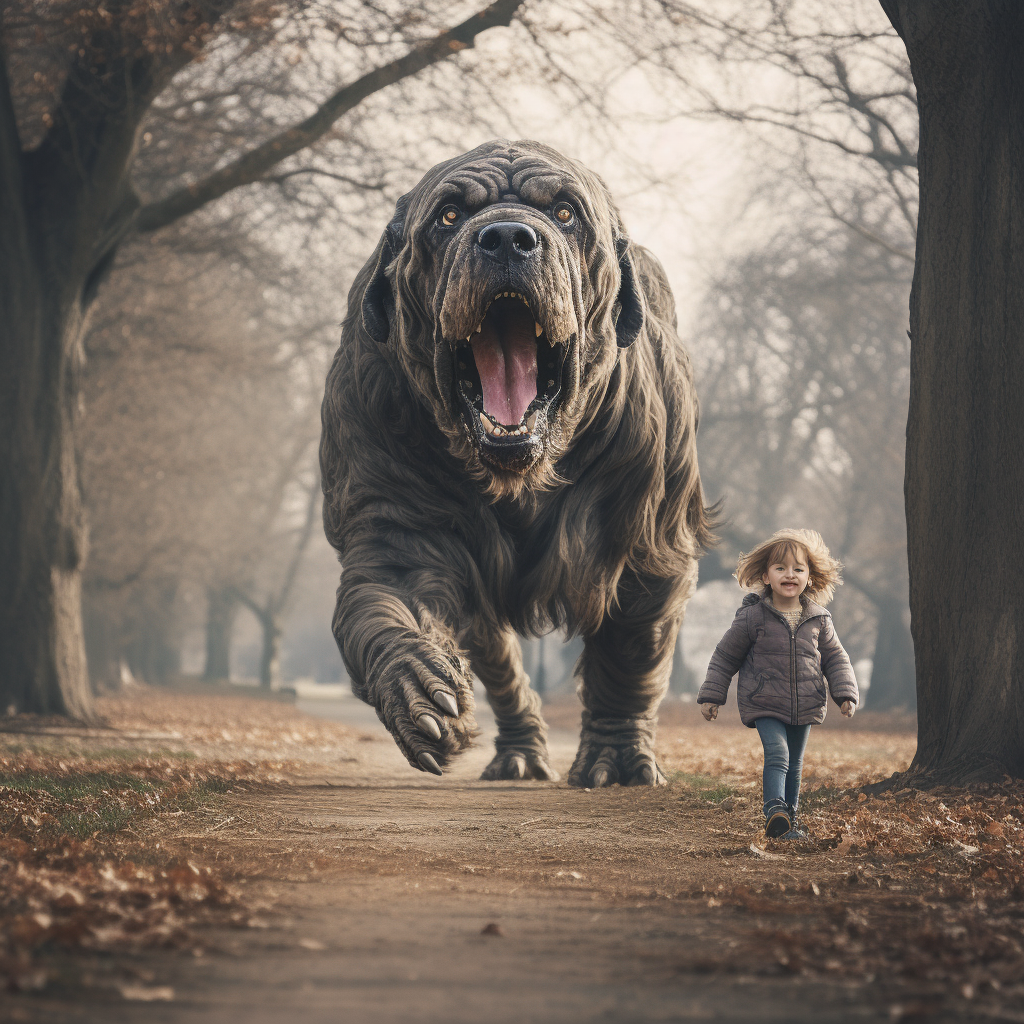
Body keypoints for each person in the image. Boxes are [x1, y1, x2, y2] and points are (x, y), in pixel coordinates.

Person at [696, 529, 859, 840]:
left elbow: (836, 658)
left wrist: (845, 694)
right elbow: (724, 656)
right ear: (766, 575)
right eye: (780, 568)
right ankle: (774, 810)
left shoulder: (819, 618)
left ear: (810, 577)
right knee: (778, 754)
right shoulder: (752, 617)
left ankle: (788, 824)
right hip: (764, 700)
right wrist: (712, 695)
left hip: (806, 701)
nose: (790, 575)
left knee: (795, 765)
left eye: (798, 569)